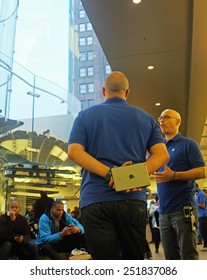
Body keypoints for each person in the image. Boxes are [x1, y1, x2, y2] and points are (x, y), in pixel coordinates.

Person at [68, 71, 169, 260]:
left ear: (103, 90)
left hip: (96, 199)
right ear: (127, 92)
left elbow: (74, 151)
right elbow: (162, 155)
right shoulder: (146, 118)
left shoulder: (84, 116)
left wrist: (110, 174)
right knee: (132, 262)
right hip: (133, 200)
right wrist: (132, 177)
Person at [153, 108, 206, 260]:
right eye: (160, 118)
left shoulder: (188, 144)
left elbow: (202, 172)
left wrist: (174, 175)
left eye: (166, 117)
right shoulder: (159, 150)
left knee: (188, 256)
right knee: (170, 258)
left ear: (178, 121)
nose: (161, 120)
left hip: (183, 210)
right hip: (163, 212)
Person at [195, 183, 207, 250]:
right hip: (200, 214)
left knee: (204, 231)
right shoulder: (198, 194)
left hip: (203, 214)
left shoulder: (201, 194)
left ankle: (206, 245)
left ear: (196, 187)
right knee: (202, 230)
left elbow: (202, 205)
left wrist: (194, 203)